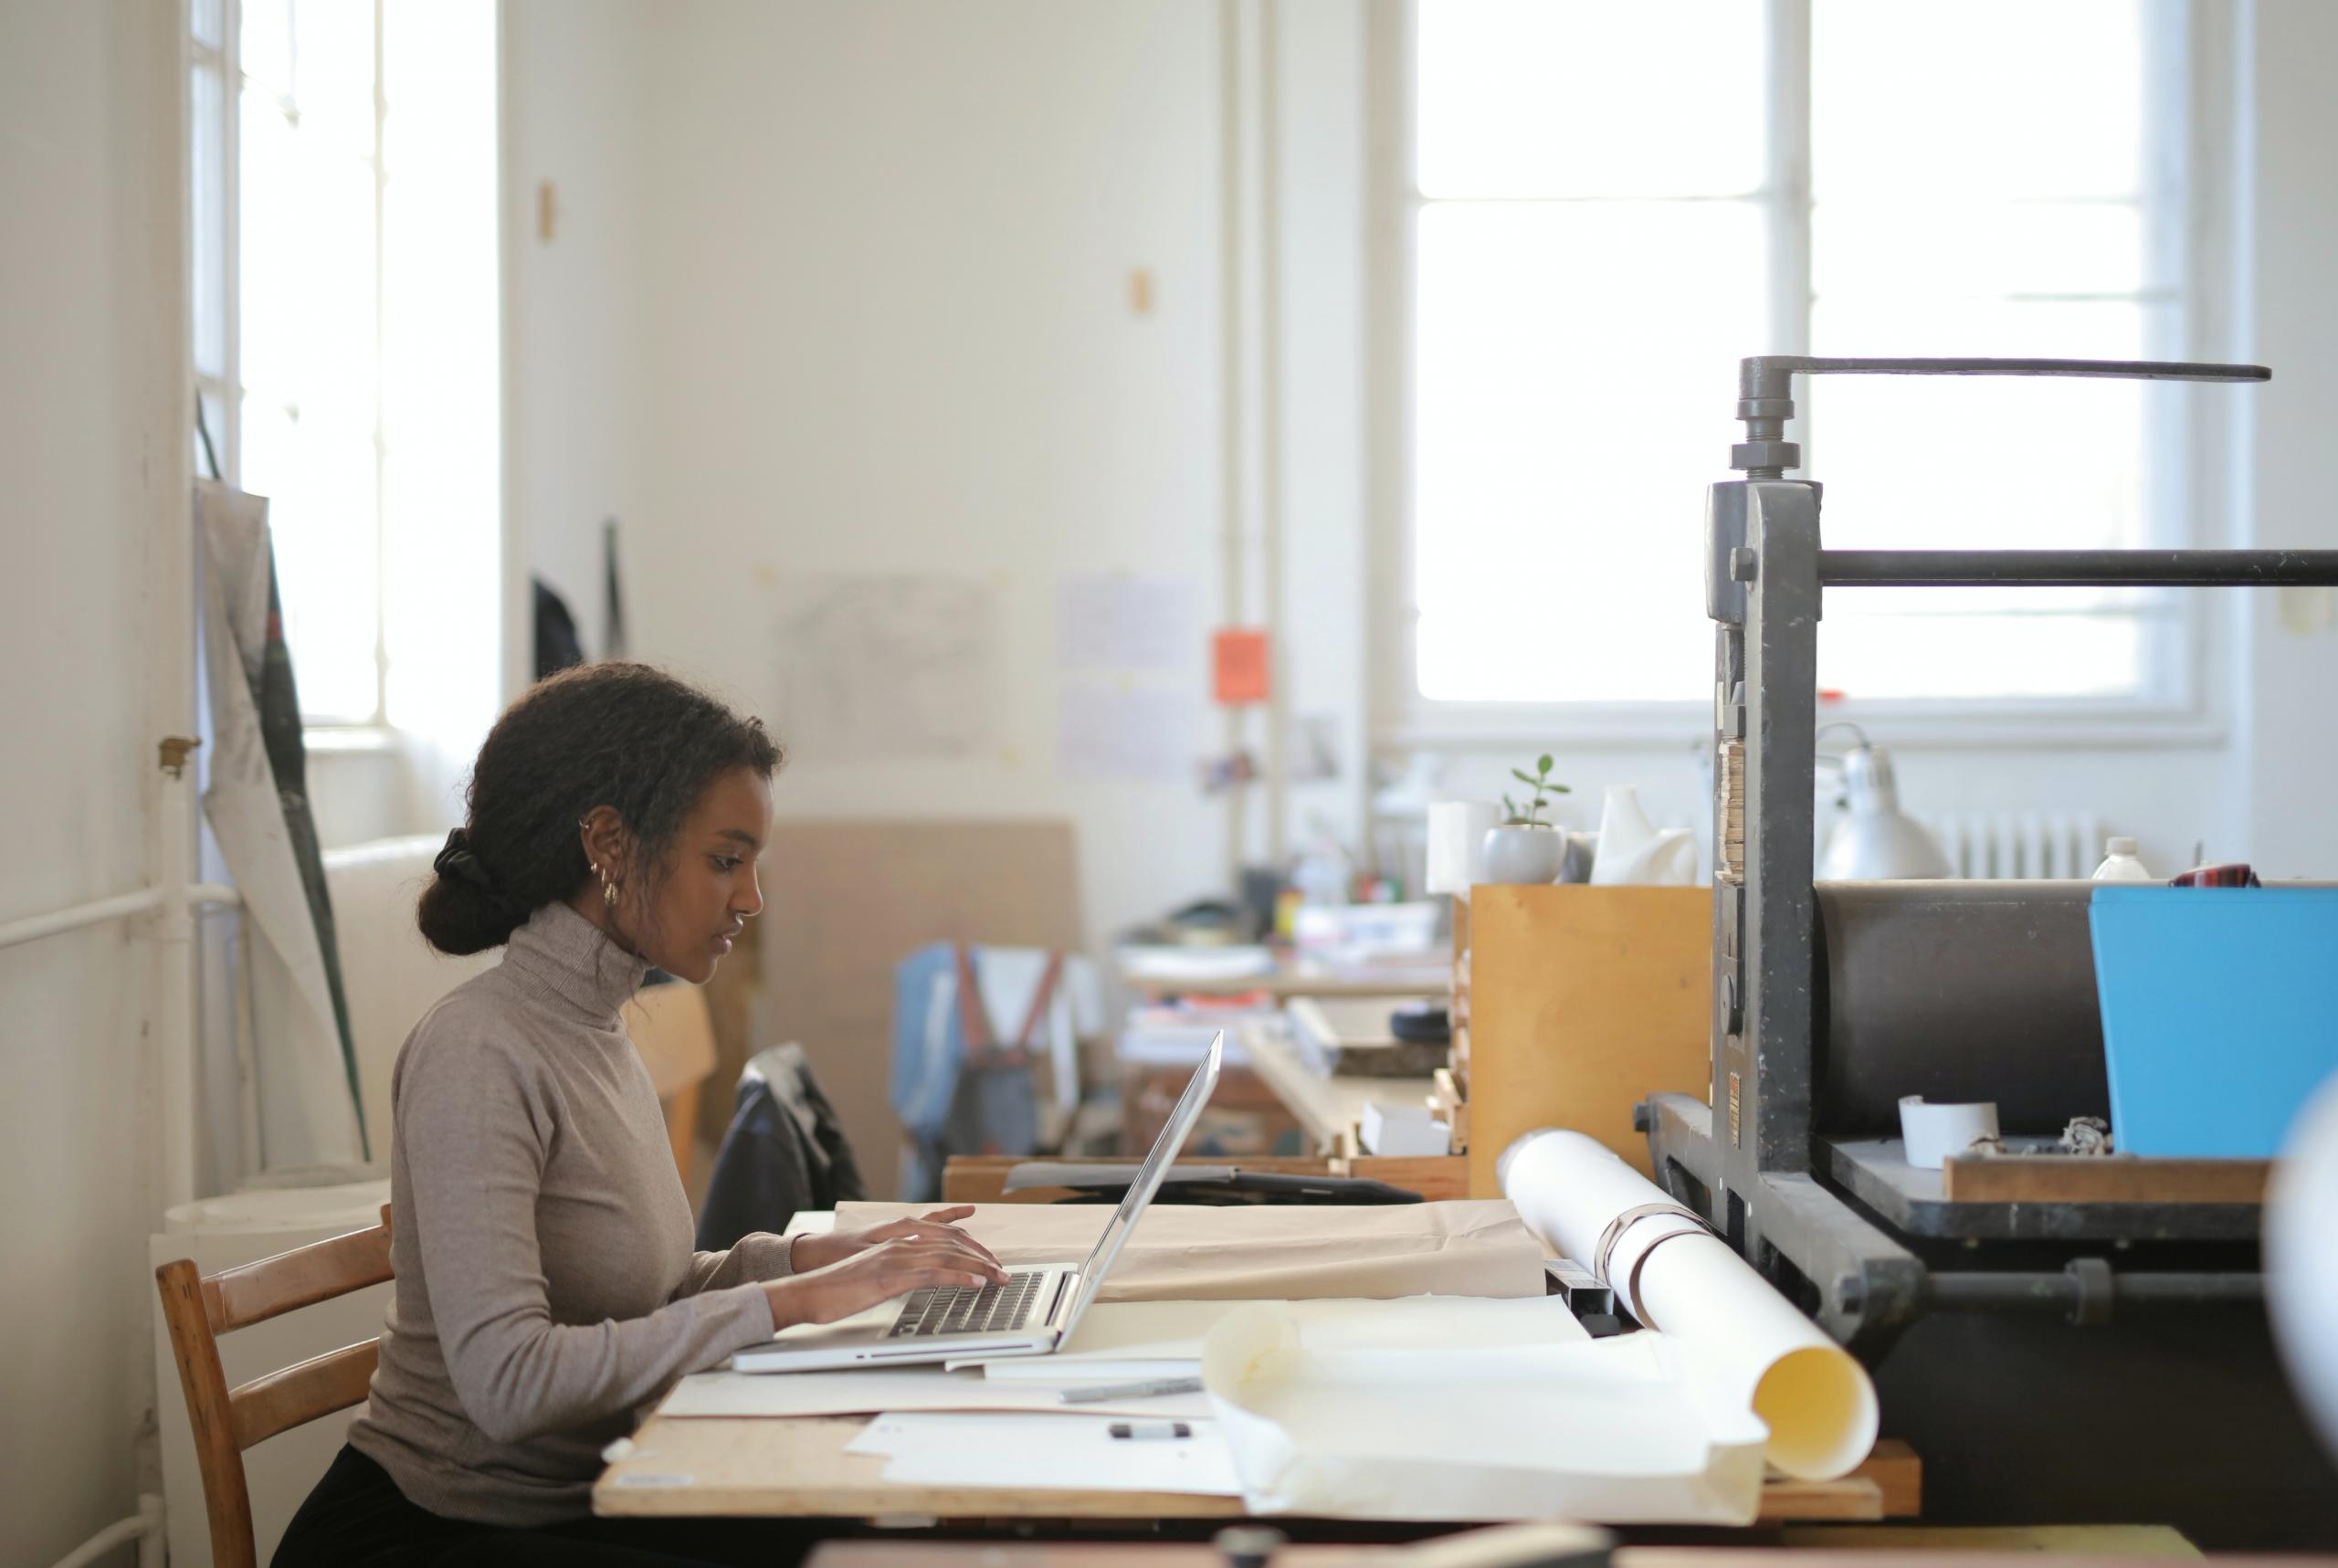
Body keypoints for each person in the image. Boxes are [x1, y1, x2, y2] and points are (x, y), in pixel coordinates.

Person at [276, 663, 1007, 1567]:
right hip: (434, 1531)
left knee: (884, 1518)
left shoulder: (596, 1027)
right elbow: (508, 1381)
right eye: (725, 859)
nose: (751, 897)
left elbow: (640, 1295)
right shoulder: (477, 1051)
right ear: (609, 846)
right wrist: (787, 1302)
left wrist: (812, 1258)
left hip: (584, 1495)